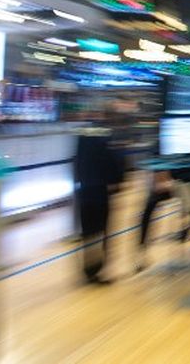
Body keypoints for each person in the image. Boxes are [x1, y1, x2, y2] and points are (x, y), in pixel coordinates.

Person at [73, 120, 123, 284]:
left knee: (88, 232)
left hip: (85, 191)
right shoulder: (105, 137)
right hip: (100, 192)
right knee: (101, 232)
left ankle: (89, 271)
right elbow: (114, 162)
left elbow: (76, 165)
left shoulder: (82, 138)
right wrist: (118, 183)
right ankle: (98, 270)